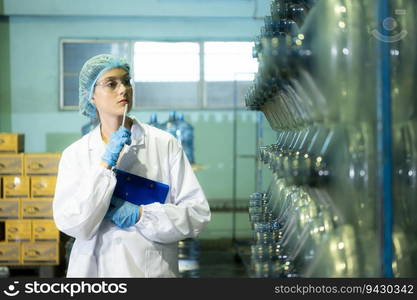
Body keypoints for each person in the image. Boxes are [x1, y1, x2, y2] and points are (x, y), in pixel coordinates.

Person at [53, 54, 211, 277]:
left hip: (150, 272)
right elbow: (72, 223)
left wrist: (141, 215)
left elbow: (197, 214)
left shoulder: (164, 144)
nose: (123, 89)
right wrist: (104, 166)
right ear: (91, 96)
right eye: (111, 83)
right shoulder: (75, 155)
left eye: (126, 81)